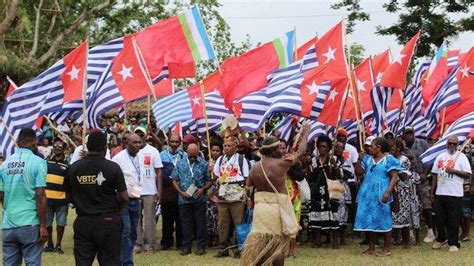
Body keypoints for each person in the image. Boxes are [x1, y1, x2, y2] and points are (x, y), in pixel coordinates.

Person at [241, 123, 309, 266]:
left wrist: (249, 199)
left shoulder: (254, 168)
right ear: (272, 150)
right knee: (277, 247)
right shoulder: (282, 164)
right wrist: (306, 133)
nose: (281, 149)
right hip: (276, 209)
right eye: (279, 147)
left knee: (260, 244)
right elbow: (301, 151)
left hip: (260, 210)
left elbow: (247, 189)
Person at [64, 130, 128, 265]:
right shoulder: (113, 168)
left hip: (84, 221)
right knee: (110, 262)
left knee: (83, 262)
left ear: (88, 146)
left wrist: (80, 203)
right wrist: (116, 210)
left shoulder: (74, 168)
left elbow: (68, 195)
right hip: (108, 220)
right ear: (104, 148)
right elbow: (124, 197)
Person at [0, 128, 48, 265]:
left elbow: (1, 195)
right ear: (35, 143)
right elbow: (40, 194)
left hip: (8, 224)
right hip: (29, 223)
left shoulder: (5, 165)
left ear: (18, 143)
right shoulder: (38, 162)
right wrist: (43, 225)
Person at [354, 137, 400, 256]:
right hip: (368, 193)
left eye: (372, 146)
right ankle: (371, 247)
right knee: (370, 219)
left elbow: (394, 177)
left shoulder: (388, 160)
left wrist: (388, 192)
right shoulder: (368, 160)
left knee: (384, 219)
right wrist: (360, 158)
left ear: (379, 148)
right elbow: (358, 172)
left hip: (381, 192)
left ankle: (386, 248)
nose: (370, 148)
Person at [431, 136, 472, 252]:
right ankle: (440, 239)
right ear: (447, 144)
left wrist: (453, 171)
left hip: (455, 194)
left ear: (458, 145)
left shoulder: (461, 157)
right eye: (450, 143)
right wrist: (432, 192)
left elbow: (468, 174)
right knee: (440, 219)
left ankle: (453, 243)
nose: (452, 146)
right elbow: (434, 174)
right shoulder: (440, 157)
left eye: (454, 144)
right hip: (441, 193)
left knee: (453, 220)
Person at [213, 136, 251, 258]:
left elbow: (247, 179)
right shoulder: (220, 159)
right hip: (223, 195)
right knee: (223, 224)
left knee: (238, 223)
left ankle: (237, 249)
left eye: (229, 146)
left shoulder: (241, 160)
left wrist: (247, 196)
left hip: (237, 196)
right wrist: (211, 170)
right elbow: (215, 176)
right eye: (225, 145)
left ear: (235, 147)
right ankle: (223, 248)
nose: (227, 148)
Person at [171, 144, 212, 255]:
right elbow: (174, 179)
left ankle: (201, 247)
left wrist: (203, 189)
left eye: (195, 155)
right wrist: (181, 192)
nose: (193, 158)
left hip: (200, 199)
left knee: (200, 223)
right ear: (187, 152)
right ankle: (186, 246)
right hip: (184, 199)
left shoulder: (203, 164)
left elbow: (209, 180)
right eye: (191, 156)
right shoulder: (180, 163)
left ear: (198, 152)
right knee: (186, 223)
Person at [112, 133, 143, 265]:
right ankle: (126, 262)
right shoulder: (118, 159)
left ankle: (124, 259)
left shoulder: (140, 157)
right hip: (122, 201)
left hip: (136, 200)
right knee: (125, 231)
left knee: (133, 234)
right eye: (134, 143)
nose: (137, 145)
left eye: (139, 142)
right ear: (126, 143)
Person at [307, 135, 342, 249]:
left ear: (328, 148)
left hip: (330, 192)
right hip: (317, 193)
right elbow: (310, 177)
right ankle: (317, 242)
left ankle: (335, 243)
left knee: (333, 216)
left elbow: (339, 176)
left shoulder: (334, 159)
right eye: (320, 146)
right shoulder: (313, 161)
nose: (322, 148)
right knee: (316, 216)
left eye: (324, 146)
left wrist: (334, 166)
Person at [402, 126, 434, 243]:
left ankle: (430, 231)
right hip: (408, 180)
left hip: (422, 178)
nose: (409, 136)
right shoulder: (402, 147)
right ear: (404, 136)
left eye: (411, 133)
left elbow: (430, 159)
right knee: (409, 205)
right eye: (407, 134)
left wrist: (425, 174)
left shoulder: (423, 144)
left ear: (414, 134)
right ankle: (410, 232)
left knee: (426, 204)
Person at [133, 127, 163, 254]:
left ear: (146, 136)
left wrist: (159, 191)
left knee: (150, 218)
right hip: (135, 189)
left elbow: (159, 172)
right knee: (135, 217)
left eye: (141, 134)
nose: (139, 136)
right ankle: (137, 243)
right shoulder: (130, 151)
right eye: (137, 134)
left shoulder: (153, 151)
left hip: (150, 189)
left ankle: (149, 245)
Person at [390, 139, 420, 249]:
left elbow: (404, 177)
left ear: (399, 148)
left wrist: (395, 167)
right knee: (394, 215)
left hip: (404, 192)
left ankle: (407, 242)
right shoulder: (389, 159)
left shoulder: (404, 160)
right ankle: (397, 239)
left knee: (405, 216)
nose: (391, 149)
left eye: (393, 146)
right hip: (392, 190)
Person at [279, 139, 306, 258]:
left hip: (293, 197)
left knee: (293, 225)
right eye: (278, 147)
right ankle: (278, 251)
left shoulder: (292, 160)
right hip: (278, 197)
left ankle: (292, 251)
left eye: (283, 147)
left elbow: (300, 177)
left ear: (287, 148)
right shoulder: (270, 161)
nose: (281, 150)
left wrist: (288, 166)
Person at [159, 134, 185, 250]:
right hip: (166, 191)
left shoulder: (184, 155)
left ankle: (180, 242)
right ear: (168, 141)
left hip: (180, 191)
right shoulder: (162, 155)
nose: (174, 144)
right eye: (172, 141)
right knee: (166, 218)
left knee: (180, 218)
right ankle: (166, 242)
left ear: (180, 143)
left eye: (176, 142)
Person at [44, 139, 69, 254]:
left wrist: (68, 199)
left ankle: (58, 245)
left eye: (60, 146)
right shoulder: (46, 162)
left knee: (61, 223)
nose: (57, 148)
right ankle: (49, 244)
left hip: (61, 200)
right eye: (55, 146)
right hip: (47, 199)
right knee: (48, 223)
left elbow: (69, 184)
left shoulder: (68, 165)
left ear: (64, 149)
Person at [335, 128, 359, 226]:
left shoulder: (352, 149)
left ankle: (352, 225)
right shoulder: (333, 149)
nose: (341, 137)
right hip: (337, 181)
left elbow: (355, 164)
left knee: (351, 205)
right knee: (338, 204)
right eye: (339, 135)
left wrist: (357, 180)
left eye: (343, 136)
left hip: (350, 181)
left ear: (346, 138)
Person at [207, 141, 223, 247]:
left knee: (219, 217)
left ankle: (219, 238)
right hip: (208, 194)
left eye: (217, 151)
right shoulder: (207, 163)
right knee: (209, 216)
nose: (215, 152)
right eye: (213, 150)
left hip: (220, 193)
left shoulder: (224, 162)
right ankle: (209, 237)